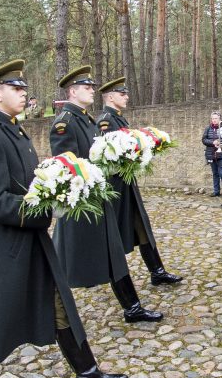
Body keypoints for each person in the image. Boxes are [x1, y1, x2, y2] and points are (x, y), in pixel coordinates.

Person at [0, 59, 128, 378]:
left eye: (23, 88)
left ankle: (87, 371)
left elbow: (29, 179)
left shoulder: (13, 128)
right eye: (16, 88)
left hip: (31, 235)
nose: (24, 93)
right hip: (7, 241)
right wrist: (44, 207)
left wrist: (56, 184)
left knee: (58, 301)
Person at [50, 65, 163, 323]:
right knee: (61, 261)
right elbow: (68, 165)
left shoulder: (86, 119)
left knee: (111, 254)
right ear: (72, 91)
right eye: (87, 87)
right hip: (82, 203)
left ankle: (132, 307)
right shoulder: (64, 124)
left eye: (91, 86)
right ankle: (43, 302)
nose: (92, 90)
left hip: (97, 197)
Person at [97, 77, 182, 286]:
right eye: (122, 93)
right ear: (110, 96)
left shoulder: (119, 118)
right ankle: (107, 274)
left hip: (127, 184)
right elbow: (111, 155)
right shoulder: (106, 120)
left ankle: (157, 271)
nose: (126, 96)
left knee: (143, 226)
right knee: (113, 235)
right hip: (116, 185)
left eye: (126, 93)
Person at [202, 111, 222, 198]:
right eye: (213, 118)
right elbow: (204, 140)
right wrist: (212, 142)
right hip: (211, 154)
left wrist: (221, 144)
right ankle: (216, 191)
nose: (214, 120)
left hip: (221, 154)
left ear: (219, 119)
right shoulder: (208, 128)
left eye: (216, 118)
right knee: (215, 173)